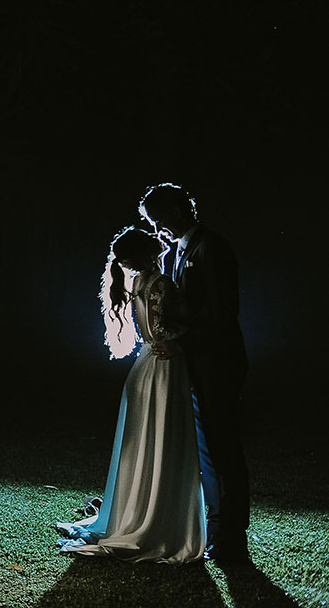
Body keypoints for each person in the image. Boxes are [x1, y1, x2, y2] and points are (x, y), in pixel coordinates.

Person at [56, 226, 205, 563]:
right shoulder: (160, 283)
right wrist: (186, 335)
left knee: (143, 446)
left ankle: (139, 510)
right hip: (164, 366)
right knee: (162, 443)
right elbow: (165, 327)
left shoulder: (138, 283)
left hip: (145, 365)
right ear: (151, 253)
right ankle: (154, 520)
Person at [139, 183, 251, 563]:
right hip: (194, 367)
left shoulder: (211, 248)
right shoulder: (178, 252)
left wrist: (182, 343)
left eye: (160, 220)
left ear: (177, 210)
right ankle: (216, 531)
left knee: (224, 451)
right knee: (207, 453)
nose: (158, 229)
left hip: (218, 364)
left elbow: (222, 311)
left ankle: (232, 539)